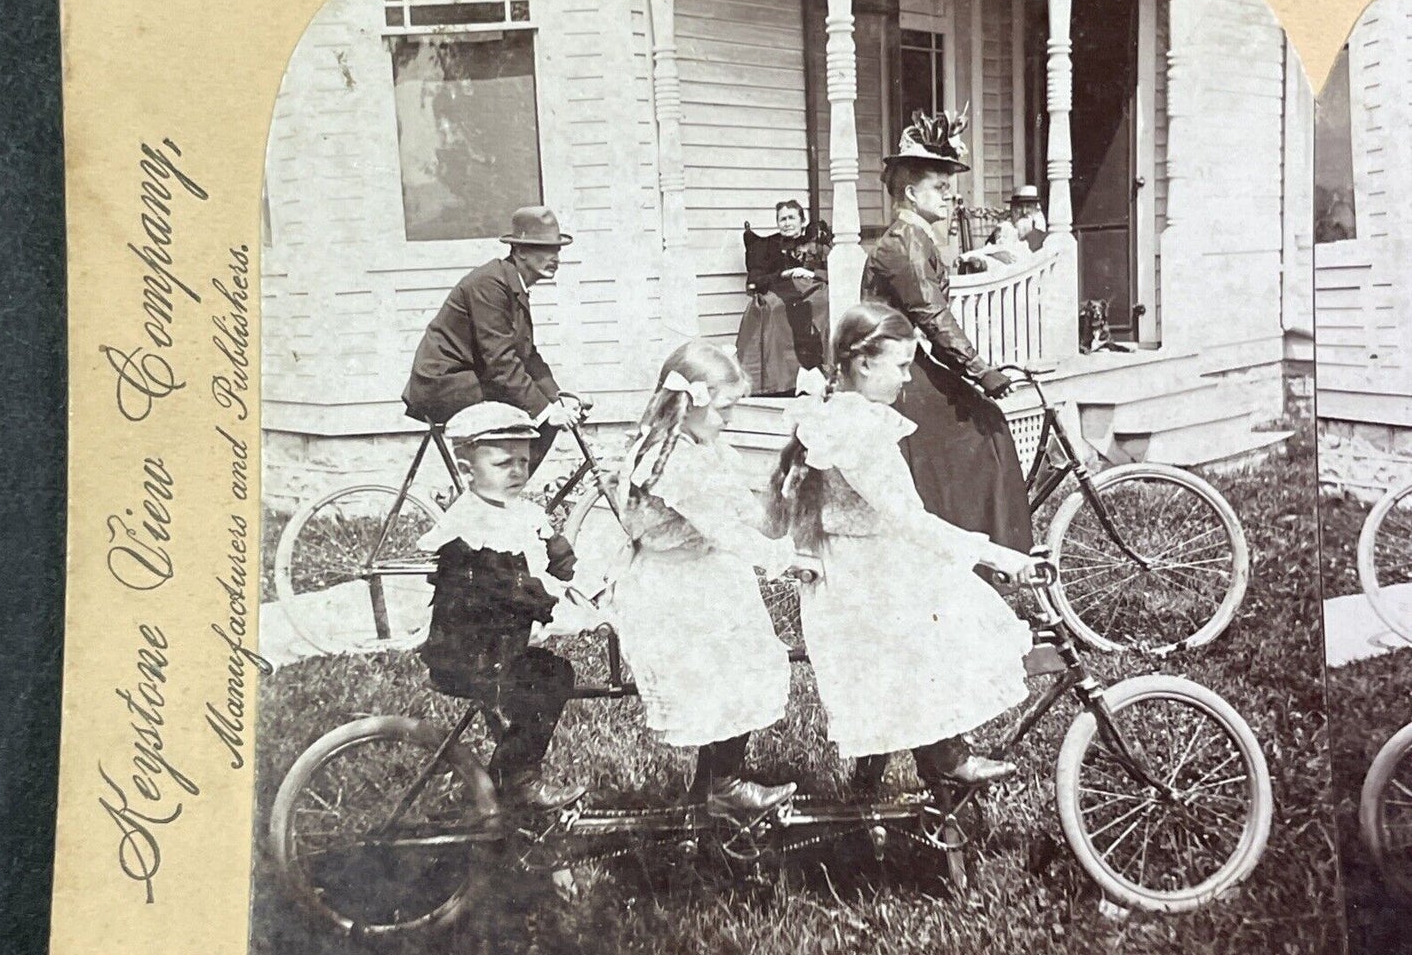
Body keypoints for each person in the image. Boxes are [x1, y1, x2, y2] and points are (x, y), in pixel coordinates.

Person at [769, 303, 1037, 793]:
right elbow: (908, 519)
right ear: (864, 363)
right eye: (901, 365)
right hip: (864, 577)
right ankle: (945, 759)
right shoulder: (860, 431)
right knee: (942, 628)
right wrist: (997, 553)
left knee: (920, 640)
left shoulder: (838, 415)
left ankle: (876, 785)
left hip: (860, 566)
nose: (909, 379)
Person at [608, 341, 819, 815]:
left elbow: (747, 514)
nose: (731, 419)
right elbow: (721, 527)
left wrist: (782, 496)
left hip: (704, 573)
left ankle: (712, 786)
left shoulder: (705, 447)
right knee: (727, 666)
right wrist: (782, 559)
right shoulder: (668, 459)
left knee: (748, 658)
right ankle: (721, 782)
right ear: (691, 402)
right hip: (671, 586)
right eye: (725, 408)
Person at [862, 110, 1034, 551]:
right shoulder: (904, 243)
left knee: (983, 424)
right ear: (911, 192)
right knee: (977, 430)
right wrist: (981, 371)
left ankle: (984, 549)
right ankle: (967, 553)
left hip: (907, 361)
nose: (950, 196)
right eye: (940, 188)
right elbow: (932, 315)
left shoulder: (917, 240)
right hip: (888, 373)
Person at [415, 401, 591, 810]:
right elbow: (507, 589)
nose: (516, 472)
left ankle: (497, 790)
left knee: (546, 673)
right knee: (549, 678)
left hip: (496, 647)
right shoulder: (468, 526)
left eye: (523, 462)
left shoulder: (521, 512)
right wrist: (554, 605)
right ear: (466, 471)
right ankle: (517, 779)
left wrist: (581, 579)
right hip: (467, 653)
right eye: (502, 463)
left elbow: (560, 557)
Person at [402, 205, 586, 474]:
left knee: (540, 415)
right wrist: (546, 410)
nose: (554, 257)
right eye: (544, 249)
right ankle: (489, 497)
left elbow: (527, 356)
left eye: (557, 249)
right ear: (520, 250)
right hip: (442, 383)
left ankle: (499, 493)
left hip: (468, 380)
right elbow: (500, 363)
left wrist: (557, 400)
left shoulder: (513, 286)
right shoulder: (490, 284)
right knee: (527, 415)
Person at [735, 200, 830, 395]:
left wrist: (811, 273)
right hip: (779, 287)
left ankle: (823, 368)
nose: (786, 223)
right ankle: (782, 380)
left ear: (802, 221)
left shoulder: (815, 246)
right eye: (782, 219)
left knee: (824, 302)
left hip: (812, 288)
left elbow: (833, 271)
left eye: (791, 218)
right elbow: (756, 279)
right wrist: (784, 274)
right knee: (774, 308)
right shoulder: (767, 246)